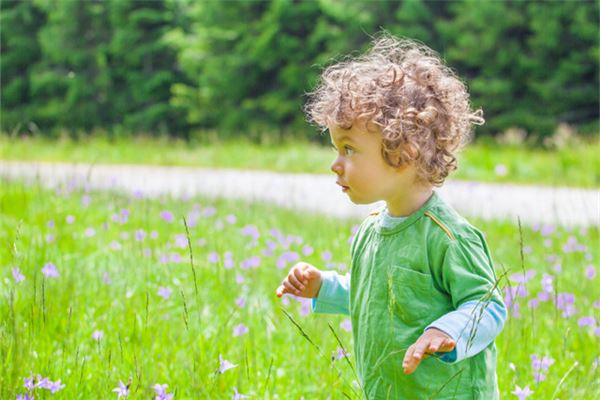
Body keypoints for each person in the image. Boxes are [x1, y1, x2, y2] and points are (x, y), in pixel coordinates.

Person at [275, 34, 507, 399]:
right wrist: (324, 286)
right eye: (336, 148)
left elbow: (487, 305)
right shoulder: (371, 230)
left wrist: (447, 331)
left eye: (349, 149)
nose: (335, 164)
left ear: (404, 152)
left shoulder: (448, 236)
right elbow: (377, 296)